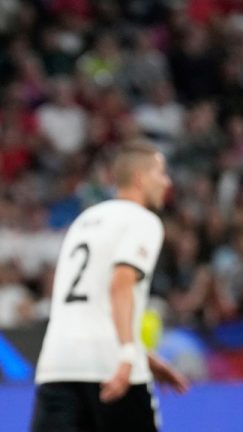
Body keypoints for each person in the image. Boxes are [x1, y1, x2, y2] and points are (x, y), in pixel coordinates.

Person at [31, 142, 189, 432]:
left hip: (58, 366)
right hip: (112, 367)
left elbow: (89, 307)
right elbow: (121, 284)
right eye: (161, 173)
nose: (166, 182)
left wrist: (146, 357)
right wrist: (130, 356)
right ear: (140, 178)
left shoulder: (83, 221)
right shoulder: (143, 220)